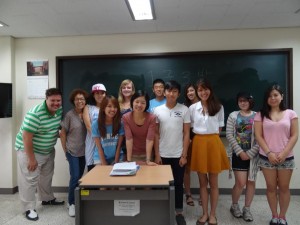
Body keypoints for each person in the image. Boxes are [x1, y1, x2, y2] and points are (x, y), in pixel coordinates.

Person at [15, 88, 65, 221]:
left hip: (48, 150)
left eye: (58, 100)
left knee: (46, 176)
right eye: (52, 100)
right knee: (30, 180)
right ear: (46, 99)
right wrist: (31, 159)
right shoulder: (35, 114)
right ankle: (28, 208)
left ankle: (47, 199)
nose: (56, 103)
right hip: (30, 150)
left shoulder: (59, 110)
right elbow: (26, 138)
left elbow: (53, 128)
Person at [254, 84, 298, 225]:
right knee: (271, 188)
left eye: (275, 95)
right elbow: (258, 136)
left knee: (284, 188)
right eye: (270, 96)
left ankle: (282, 217)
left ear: (281, 97)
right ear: (266, 99)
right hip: (267, 157)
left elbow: (295, 135)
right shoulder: (260, 114)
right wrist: (269, 153)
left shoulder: (291, 113)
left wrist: (285, 153)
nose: (273, 98)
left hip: (286, 156)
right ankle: (274, 216)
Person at [189, 78, 230, 225]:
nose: (203, 92)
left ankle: (213, 214)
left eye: (205, 89)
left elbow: (219, 129)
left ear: (210, 89)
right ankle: (204, 213)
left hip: (213, 143)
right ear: (197, 92)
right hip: (199, 143)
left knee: (213, 183)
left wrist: (210, 138)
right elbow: (191, 127)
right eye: (200, 90)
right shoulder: (192, 108)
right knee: (202, 183)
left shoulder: (218, 106)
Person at [154, 80, 190, 225]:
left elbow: (187, 133)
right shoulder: (157, 110)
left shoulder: (184, 110)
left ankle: (179, 212)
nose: (171, 93)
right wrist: (156, 154)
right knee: (163, 183)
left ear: (179, 93)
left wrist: (184, 155)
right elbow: (155, 134)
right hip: (162, 154)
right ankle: (163, 210)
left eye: (175, 91)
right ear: (164, 92)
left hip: (178, 154)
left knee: (178, 183)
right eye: (169, 91)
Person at [226, 92, 260, 222]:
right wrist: (240, 152)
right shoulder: (233, 115)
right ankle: (234, 205)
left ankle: (247, 208)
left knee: (251, 182)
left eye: (245, 100)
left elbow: (261, 137)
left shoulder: (257, 116)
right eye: (240, 101)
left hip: (253, 155)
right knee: (240, 183)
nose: (243, 103)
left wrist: (250, 153)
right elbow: (229, 135)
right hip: (237, 154)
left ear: (250, 101)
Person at [59, 88, 88, 217]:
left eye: (82, 99)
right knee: (75, 176)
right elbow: (63, 133)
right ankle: (71, 203)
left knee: (81, 177)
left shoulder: (89, 113)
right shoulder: (70, 115)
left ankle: (78, 200)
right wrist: (65, 150)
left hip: (85, 151)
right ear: (73, 101)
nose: (79, 101)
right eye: (77, 99)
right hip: (72, 151)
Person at [122, 90, 157, 165]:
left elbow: (150, 139)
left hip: (148, 154)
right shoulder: (126, 117)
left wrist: (148, 160)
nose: (139, 105)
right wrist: (129, 160)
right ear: (132, 102)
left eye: (143, 103)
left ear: (146, 104)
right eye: (137, 102)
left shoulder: (152, 118)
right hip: (132, 155)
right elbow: (129, 139)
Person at [91, 95, 124, 165]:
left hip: (117, 157)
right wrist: (104, 164)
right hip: (100, 157)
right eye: (109, 106)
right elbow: (99, 147)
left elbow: (119, 146)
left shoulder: (120, 124)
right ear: (103, 108)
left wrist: (116, 163)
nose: (112, 109)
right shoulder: (95, 124)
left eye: (115, 107)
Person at [183, 83, 201, 207]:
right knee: (186, 168)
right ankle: (188, 194)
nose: (190, 93)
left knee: (201, 168)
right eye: (188, 91)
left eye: (192, 90)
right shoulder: (184, 107)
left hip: (200, 137)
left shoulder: (205, 105)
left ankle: (202, 194)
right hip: (188, 138)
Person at [83, 83, 106, 171]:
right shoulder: (88, 107)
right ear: (93, 95)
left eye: (102, 93)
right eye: (97, 93)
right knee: (92, 168)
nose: (100, 95)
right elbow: (88, 126)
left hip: (107, 141)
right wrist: (98, 138)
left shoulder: (109, 107)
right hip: (92, 142)